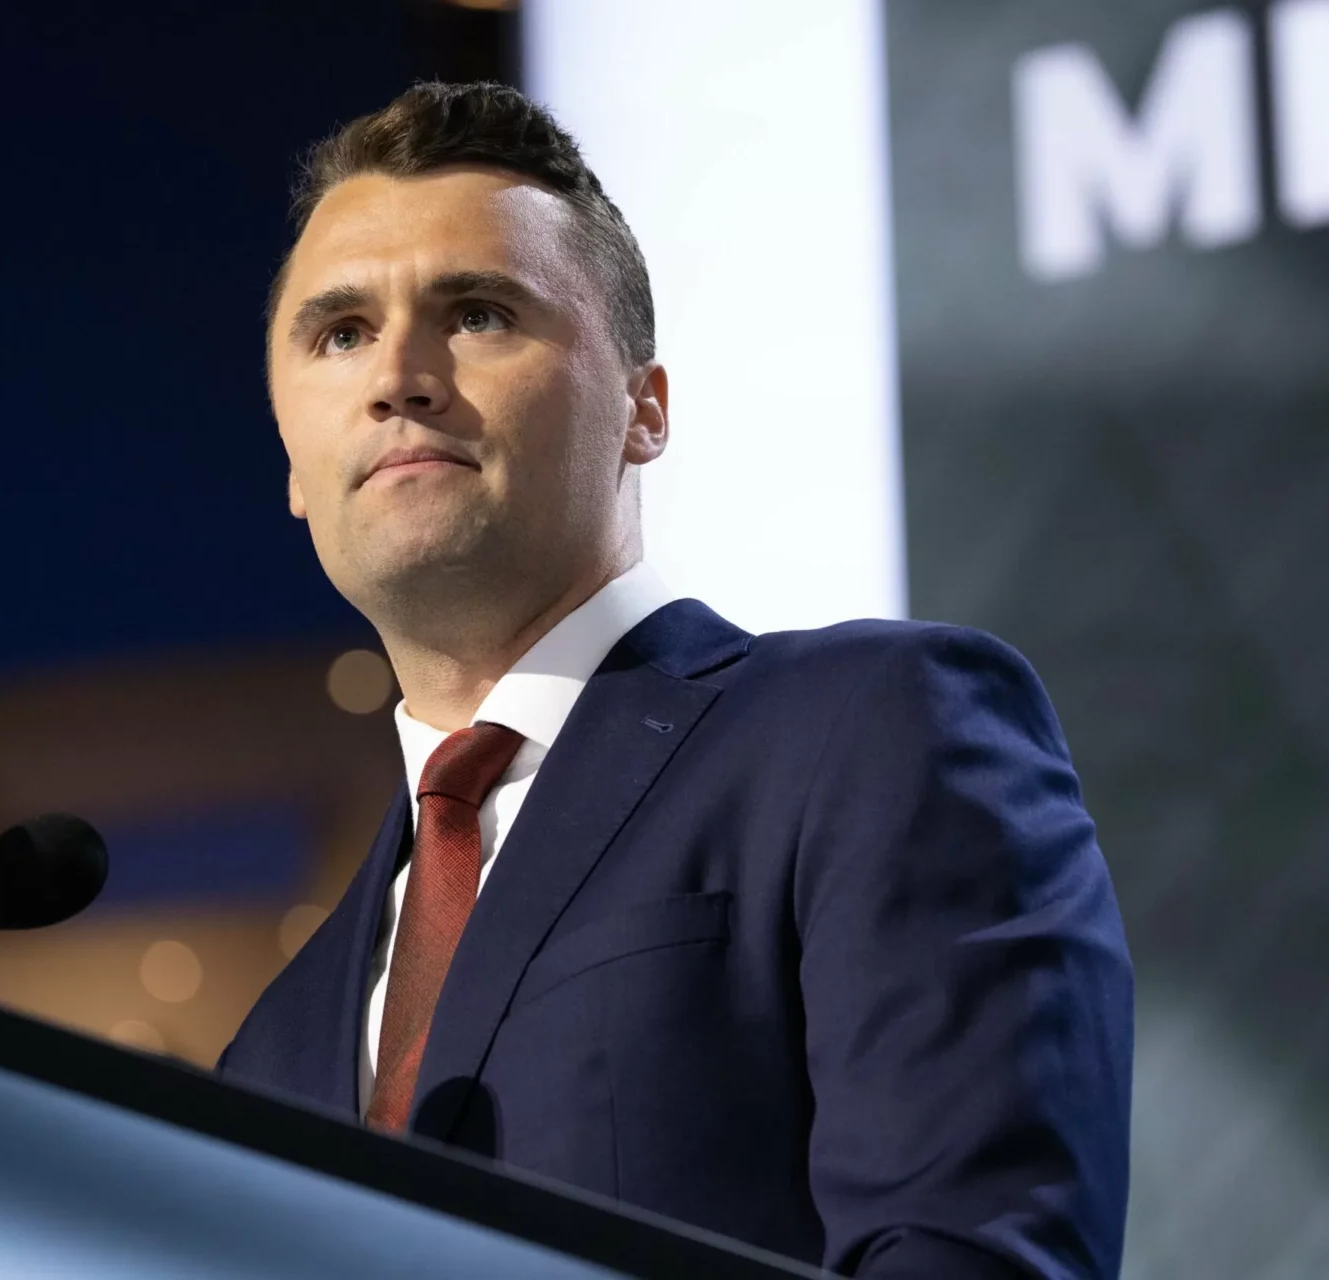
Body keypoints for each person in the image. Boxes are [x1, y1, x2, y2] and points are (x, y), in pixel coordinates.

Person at [219, 81, 1133, 1280]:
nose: (398, 375)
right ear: (292, 462)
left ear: (643, 410)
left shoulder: (873, 729)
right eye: (340, 333)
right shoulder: (269, 1049)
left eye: (479, 313)